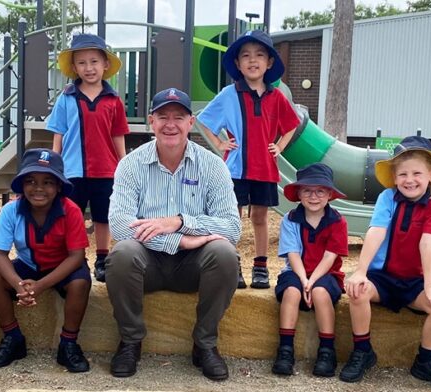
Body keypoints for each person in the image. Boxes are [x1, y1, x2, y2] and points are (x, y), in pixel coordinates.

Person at [105, 88, 241, 381]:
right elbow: (118, 224)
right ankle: (130, 341)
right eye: (163, 116)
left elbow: (232, 227)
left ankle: (204, 344)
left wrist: (179, 222)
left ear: (191, 122)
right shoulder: (130, 164)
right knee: (122, 254)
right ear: (150, 121)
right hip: (147, 263)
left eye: (178, 117)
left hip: (193, 265)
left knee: (225, 254)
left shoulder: (213, 166)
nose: (170, 124)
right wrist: (179, 239)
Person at [339, 136, 431, 390]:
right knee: (357, 291)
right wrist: (360, 272)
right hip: (382, 278)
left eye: (417, 173)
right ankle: (363, 351)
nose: (409, 180)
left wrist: (429, 287)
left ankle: (425, 361)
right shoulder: (387, 197)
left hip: (414, 282)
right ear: (394, 177)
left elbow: (428, 243)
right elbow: (376, 231)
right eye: (402, 174)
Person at [197, 30, 300, 289]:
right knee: (233, 217)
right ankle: (232, 265)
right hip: (235, 170)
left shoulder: (277, 97)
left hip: (264, 169)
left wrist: (279, 146)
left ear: (269, 62)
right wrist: (220, 143)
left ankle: (261, 266)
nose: (252, 60)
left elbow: (291, 125)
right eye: (245, 55)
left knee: (261, 218)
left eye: (259, 55)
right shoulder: (229, 94)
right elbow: (203, 119)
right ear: (238, 64)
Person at [0, 148, 92, 373]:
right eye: (31, 181)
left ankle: (68, 344)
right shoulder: (10, 211)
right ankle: (13, 339)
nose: (39, 188)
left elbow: (76, 256)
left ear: (59, 186)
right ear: (22, 185)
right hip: (28, 265)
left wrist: (40, 286)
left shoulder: (70, 211)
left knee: (81, 282)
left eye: (48, 182)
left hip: (62, 266)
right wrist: (18, 285)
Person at [46, 33, 130, 283]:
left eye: (94, 61)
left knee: (103, 216)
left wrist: (124, 166)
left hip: (106, 170)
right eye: (82, 62)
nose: (89, 68)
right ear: (73, 67)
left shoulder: (114, 100)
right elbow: (58, 135)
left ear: (105, 65)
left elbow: (118, 136)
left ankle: (102, 258)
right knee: (73, 216)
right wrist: (54, 167)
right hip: (72, 169)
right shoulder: (66, 97)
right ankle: (74, 258)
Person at [271, 163, 349, 378]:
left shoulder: (338, 221)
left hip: (326, 274)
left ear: (329, 194)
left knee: (320, 292)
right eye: (307, 190)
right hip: (296, 272)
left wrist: (312, 281)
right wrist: (303, 280)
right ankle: (285, 350)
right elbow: (293, 253)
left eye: (320, 191)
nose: (313, 196)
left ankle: (326, 350)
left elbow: (330, 256)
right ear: (299, 194)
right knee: (291, 292)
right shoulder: (290, 219)